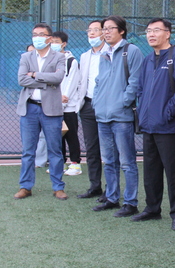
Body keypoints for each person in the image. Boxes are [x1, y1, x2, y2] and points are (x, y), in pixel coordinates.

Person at [132, 18, 175, 231]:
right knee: (151, 171)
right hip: (148, 125)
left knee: (174, 172)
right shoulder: (148, 59)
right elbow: (140, 88)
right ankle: (152, 208)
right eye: (148, 31)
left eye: (156, 30)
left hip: (168, 126)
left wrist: (167, 113)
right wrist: (142, 111)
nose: (151, 34)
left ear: (168, 33)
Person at [92, 15, 144, 218]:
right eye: (103, 28)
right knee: (109, 160)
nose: (105, 32)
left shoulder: (132, 51)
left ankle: (131, 202)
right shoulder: (104, 53)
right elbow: (99, 82)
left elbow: (135, 81)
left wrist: (123, 102)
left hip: (121, 117)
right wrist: (97, 103)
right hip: (102, 116)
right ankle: (112, 198)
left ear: (121, 31)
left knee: (127, 162)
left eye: (110, 28)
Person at [15, 23, 67, 200]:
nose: (37, 37)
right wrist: (46, 82)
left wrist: (35, 74)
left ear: (49, 38)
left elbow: (58, 78)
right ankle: (25, 186)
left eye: (41, 34)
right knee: (28, 151)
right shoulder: (26, 57)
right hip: (29, 108)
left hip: (51, 110)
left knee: (55, 150)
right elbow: (22, 80)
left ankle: (58, 187)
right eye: (35, 34)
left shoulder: (59, 57)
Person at [76, 21, 108, 200]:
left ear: (104, 32)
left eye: (96, 30)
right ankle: (95, 186)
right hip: (87, 106)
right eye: (89, 30)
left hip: (107, 105)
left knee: (109, 149)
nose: (92, 33)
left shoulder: (112, 53)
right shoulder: (84, 56)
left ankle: (111, 189)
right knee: (91, 148)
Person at [50, 31, 82, 176]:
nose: (54, 45)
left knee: (71, 135)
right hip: (54, 105)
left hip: (69, 107)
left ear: (64, 44)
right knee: (58, 136)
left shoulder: (71, 61)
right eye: (52, 42)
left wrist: (64, 98)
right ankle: (60, 163)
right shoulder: (50, 60)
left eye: (56, 42)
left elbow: (72, 82)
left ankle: (75, 164)